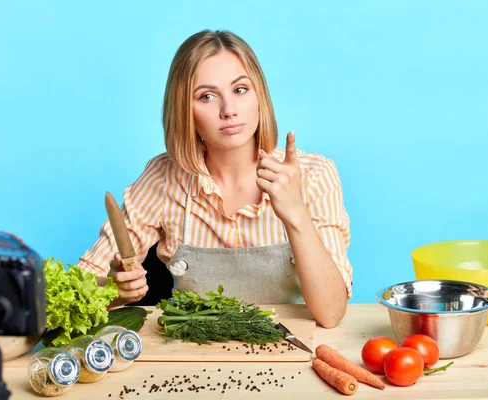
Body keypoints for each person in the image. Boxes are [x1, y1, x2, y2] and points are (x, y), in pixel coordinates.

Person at [77, 30, 352, 328]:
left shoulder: (314, 175)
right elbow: (83, 285)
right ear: (185, 110)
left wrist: (296, 213)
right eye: (206, 96)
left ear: (259, 95)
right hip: (191, 355)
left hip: (291, 353)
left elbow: (331, 313)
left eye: (240, 90)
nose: (229, 110)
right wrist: (115, 291)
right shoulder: (162, 178)